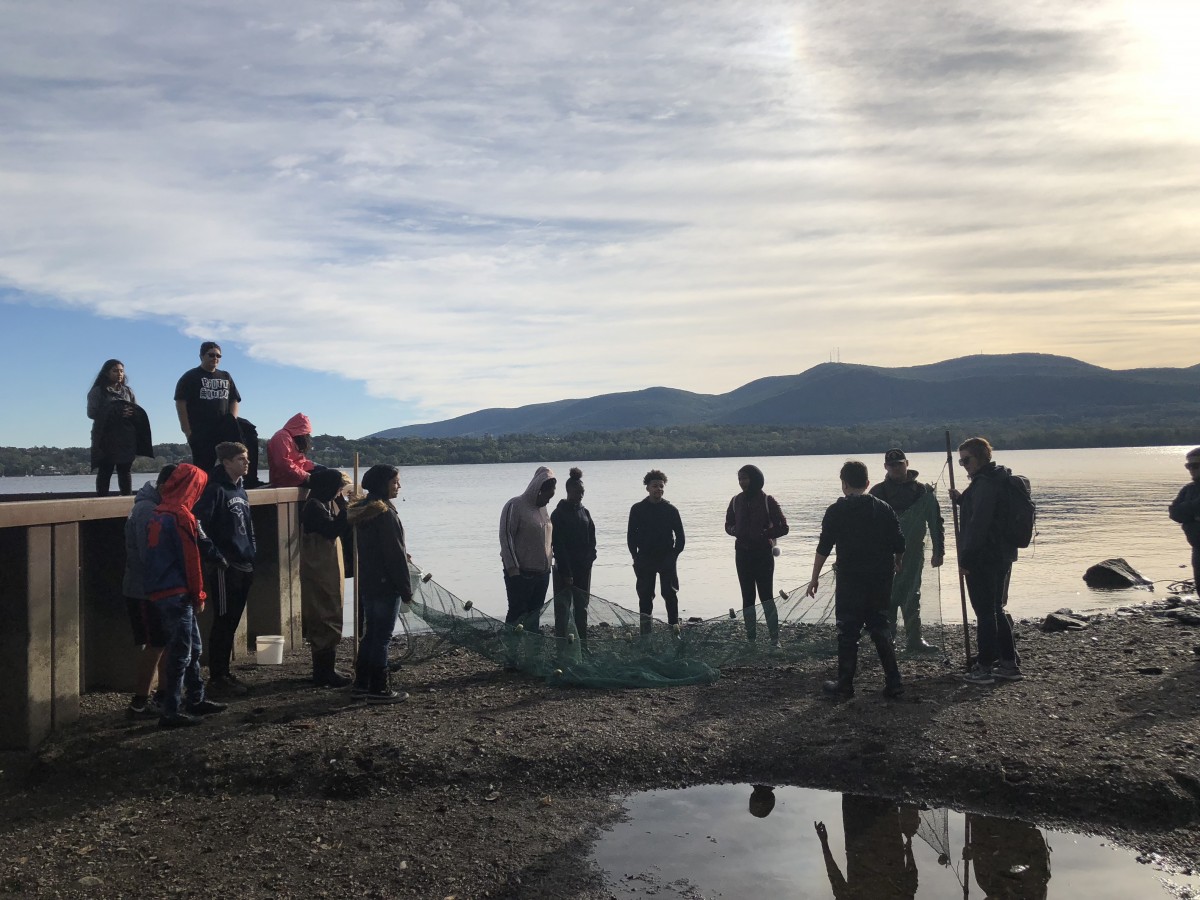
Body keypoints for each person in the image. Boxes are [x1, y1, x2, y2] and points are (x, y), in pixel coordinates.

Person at [806, 460, 905, 698]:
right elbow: (900, 542)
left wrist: (815, 577)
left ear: (844, 484)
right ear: (868, 483)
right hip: (880, 576)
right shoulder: (884, 508)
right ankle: (894, 682)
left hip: (851, 578)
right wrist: (897, 562)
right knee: (880, 626)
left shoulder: (836, 511)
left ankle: (845, 685)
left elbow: (824, 547)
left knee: (848, 630)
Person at [143, 464, 228, 727]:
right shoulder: (182, 516)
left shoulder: (158, 513)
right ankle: (172, 710)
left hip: (161, 590)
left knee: (191, 648)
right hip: (177, 592)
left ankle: (195, 698)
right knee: (182, 652)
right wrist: (199, 594)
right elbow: (191, 560)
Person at [950, 437, 1023, 685]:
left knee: (984, 613)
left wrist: (966, 559)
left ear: (980, 457)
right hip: (1003, 555)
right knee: (995, 609)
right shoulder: (997, 479)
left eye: (966, 460)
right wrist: (961, 499)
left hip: (984, 557)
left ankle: (984, 668)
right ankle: (1008, 664)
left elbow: (978, 525)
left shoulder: (984, 484)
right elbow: (988, 512)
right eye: (960, 461)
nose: (963, 465)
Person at [194, 441, 256, 697]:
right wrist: (216, 557)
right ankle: (217, 676)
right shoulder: (215, 489)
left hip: (245, 562)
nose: (247, 463)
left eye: (247, 459)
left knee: (233, 620)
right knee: (223, 620)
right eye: (241, 459)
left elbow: (248, 526)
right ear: (227, 462)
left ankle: (226, 673)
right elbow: (197, 525)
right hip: (224, 567)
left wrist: (253, 551)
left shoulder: (241, 491)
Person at [869, 449, 944, 653]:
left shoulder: (922, 492)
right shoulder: (877, 492)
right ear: (885, 467)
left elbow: (936, 522)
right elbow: (865, 527)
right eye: (892, 465)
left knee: (912, 594)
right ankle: (888, 639)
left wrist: (939, 551)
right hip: (884, 555)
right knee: (888, 597)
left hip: (914, 554)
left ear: (907, 464)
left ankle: (914, 639)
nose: (896, 468)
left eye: (899, 464)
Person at [347, 464, 411, 703]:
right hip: (385, 584)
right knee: (382, 636)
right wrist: (405, 588)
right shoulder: (384, 513)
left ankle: (361, 683)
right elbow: (393, 554)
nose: (399, 486)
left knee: (371, 633)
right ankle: (379, 689)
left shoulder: (363, 511)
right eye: (395, 482)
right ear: (383, 484)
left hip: (368, 580)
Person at [122, 465, 177, 718]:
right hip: (145, 590)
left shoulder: (156, 505)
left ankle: (163, 695)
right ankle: (139, 703)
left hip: (159, 587)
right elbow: (149, 554)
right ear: (165, 486)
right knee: (154, 644)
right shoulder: (146, 509)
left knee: (165, 643)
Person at [724, 464, 789, 646]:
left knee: (766, 596)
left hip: (763, 554)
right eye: (740, 479)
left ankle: (774, 639)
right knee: (747, 597)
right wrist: (734, 530)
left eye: (745, 478)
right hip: (742, 554)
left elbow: (783, 527)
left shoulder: (768, 501)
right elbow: (728, 524)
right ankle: (751, 639)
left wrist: (764, 534)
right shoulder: (736, 501)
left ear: (755, 479)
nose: (742, 482)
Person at [499, 466, 557, 666]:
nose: (549, 500)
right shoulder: (514, 506)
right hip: (520, 574)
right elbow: (506, 538)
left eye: (552, 496)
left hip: (542, 574)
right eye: (547, 495)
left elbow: (548, 539)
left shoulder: (543, 509)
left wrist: (551, 564)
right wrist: (513, 570)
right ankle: (511, 657)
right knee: (516, 614)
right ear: (538, 489)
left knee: (534, 616)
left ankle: (533, 657)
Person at [301, 468, 353, 687]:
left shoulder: (321, 503)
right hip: (319, 568)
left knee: (331, 610)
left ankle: (326, 668)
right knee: (324, 613)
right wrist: (345, 509)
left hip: (326, 567)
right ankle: (323, 672)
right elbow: (331, 531)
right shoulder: (313, 507)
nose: (338, 492)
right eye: (337, 488)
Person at [814, 795, 919, 899]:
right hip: (866, 836)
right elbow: (836, 881)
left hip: (870, 836)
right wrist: (824, 844)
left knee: (877, 791)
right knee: (859, 789)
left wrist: (824, 844)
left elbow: (911, 879)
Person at [627, 469, 686, 638]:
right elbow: (631, 536)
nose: (658, 489)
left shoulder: (671, 510)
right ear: (647, 488)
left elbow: (681, 537)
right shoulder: (637, 509)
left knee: (670, 594)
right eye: (654, 486)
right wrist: (635, 556)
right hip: (644, 558)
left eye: (661, 486)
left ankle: (674, 630)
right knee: (645, 596)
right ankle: (646, 634)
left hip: (666, 557)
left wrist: (674, 555)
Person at [174, 342, 241, 476]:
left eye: (218, 355)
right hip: (201, 430)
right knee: (203, 468)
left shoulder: (225, 376)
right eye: (211, 355)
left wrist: (232, 420)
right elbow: (180, 402)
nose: (215, 358)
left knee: (229, 463)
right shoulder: (190, 377)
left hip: (222, 428)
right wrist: (186, 430)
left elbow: (234, 399)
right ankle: (203, 494)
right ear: (201, 356)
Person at [87, 359, 152, 496]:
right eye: (115, 370)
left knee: (125, 470)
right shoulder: (98, 391)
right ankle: (101, 503)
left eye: (121, 371)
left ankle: (126, 502)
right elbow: (92, 413)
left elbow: (136, 411)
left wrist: (132, 413)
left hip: (126, 437)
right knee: (106, 470)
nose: (119, 374)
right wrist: (116, 412)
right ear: (107, 373)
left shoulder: (128, 391)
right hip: (106, 437)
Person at [551, 467, 597, 657]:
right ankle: (562, 646)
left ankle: (582, 644)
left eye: (582, 492)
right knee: (562, 609)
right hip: (564, 569)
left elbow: (592, 538)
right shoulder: (558, 514)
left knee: (581, 608)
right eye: (577, 492)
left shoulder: (585, 512)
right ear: (568, 491)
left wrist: (591, 558)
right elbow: (558, 545)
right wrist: (567, 572)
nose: (580, 495)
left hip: (584, 568)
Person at [1168, 447, 1200, 591]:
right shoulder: (1188, 490)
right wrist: (1195, 507)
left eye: (1196, 465)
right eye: (1189, 466)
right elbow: (1175, 513)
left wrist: (1190, 512)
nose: (1192, 469)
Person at [267, 413, 323, 487]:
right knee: (332, 476)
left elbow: (298, 461)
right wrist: (305, 476)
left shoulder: (290, 437)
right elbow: (283, 464)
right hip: (288, 479)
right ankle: (317, 498)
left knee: (332, 474)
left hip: (299, 472)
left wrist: (312, 466)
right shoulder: (282, 437)